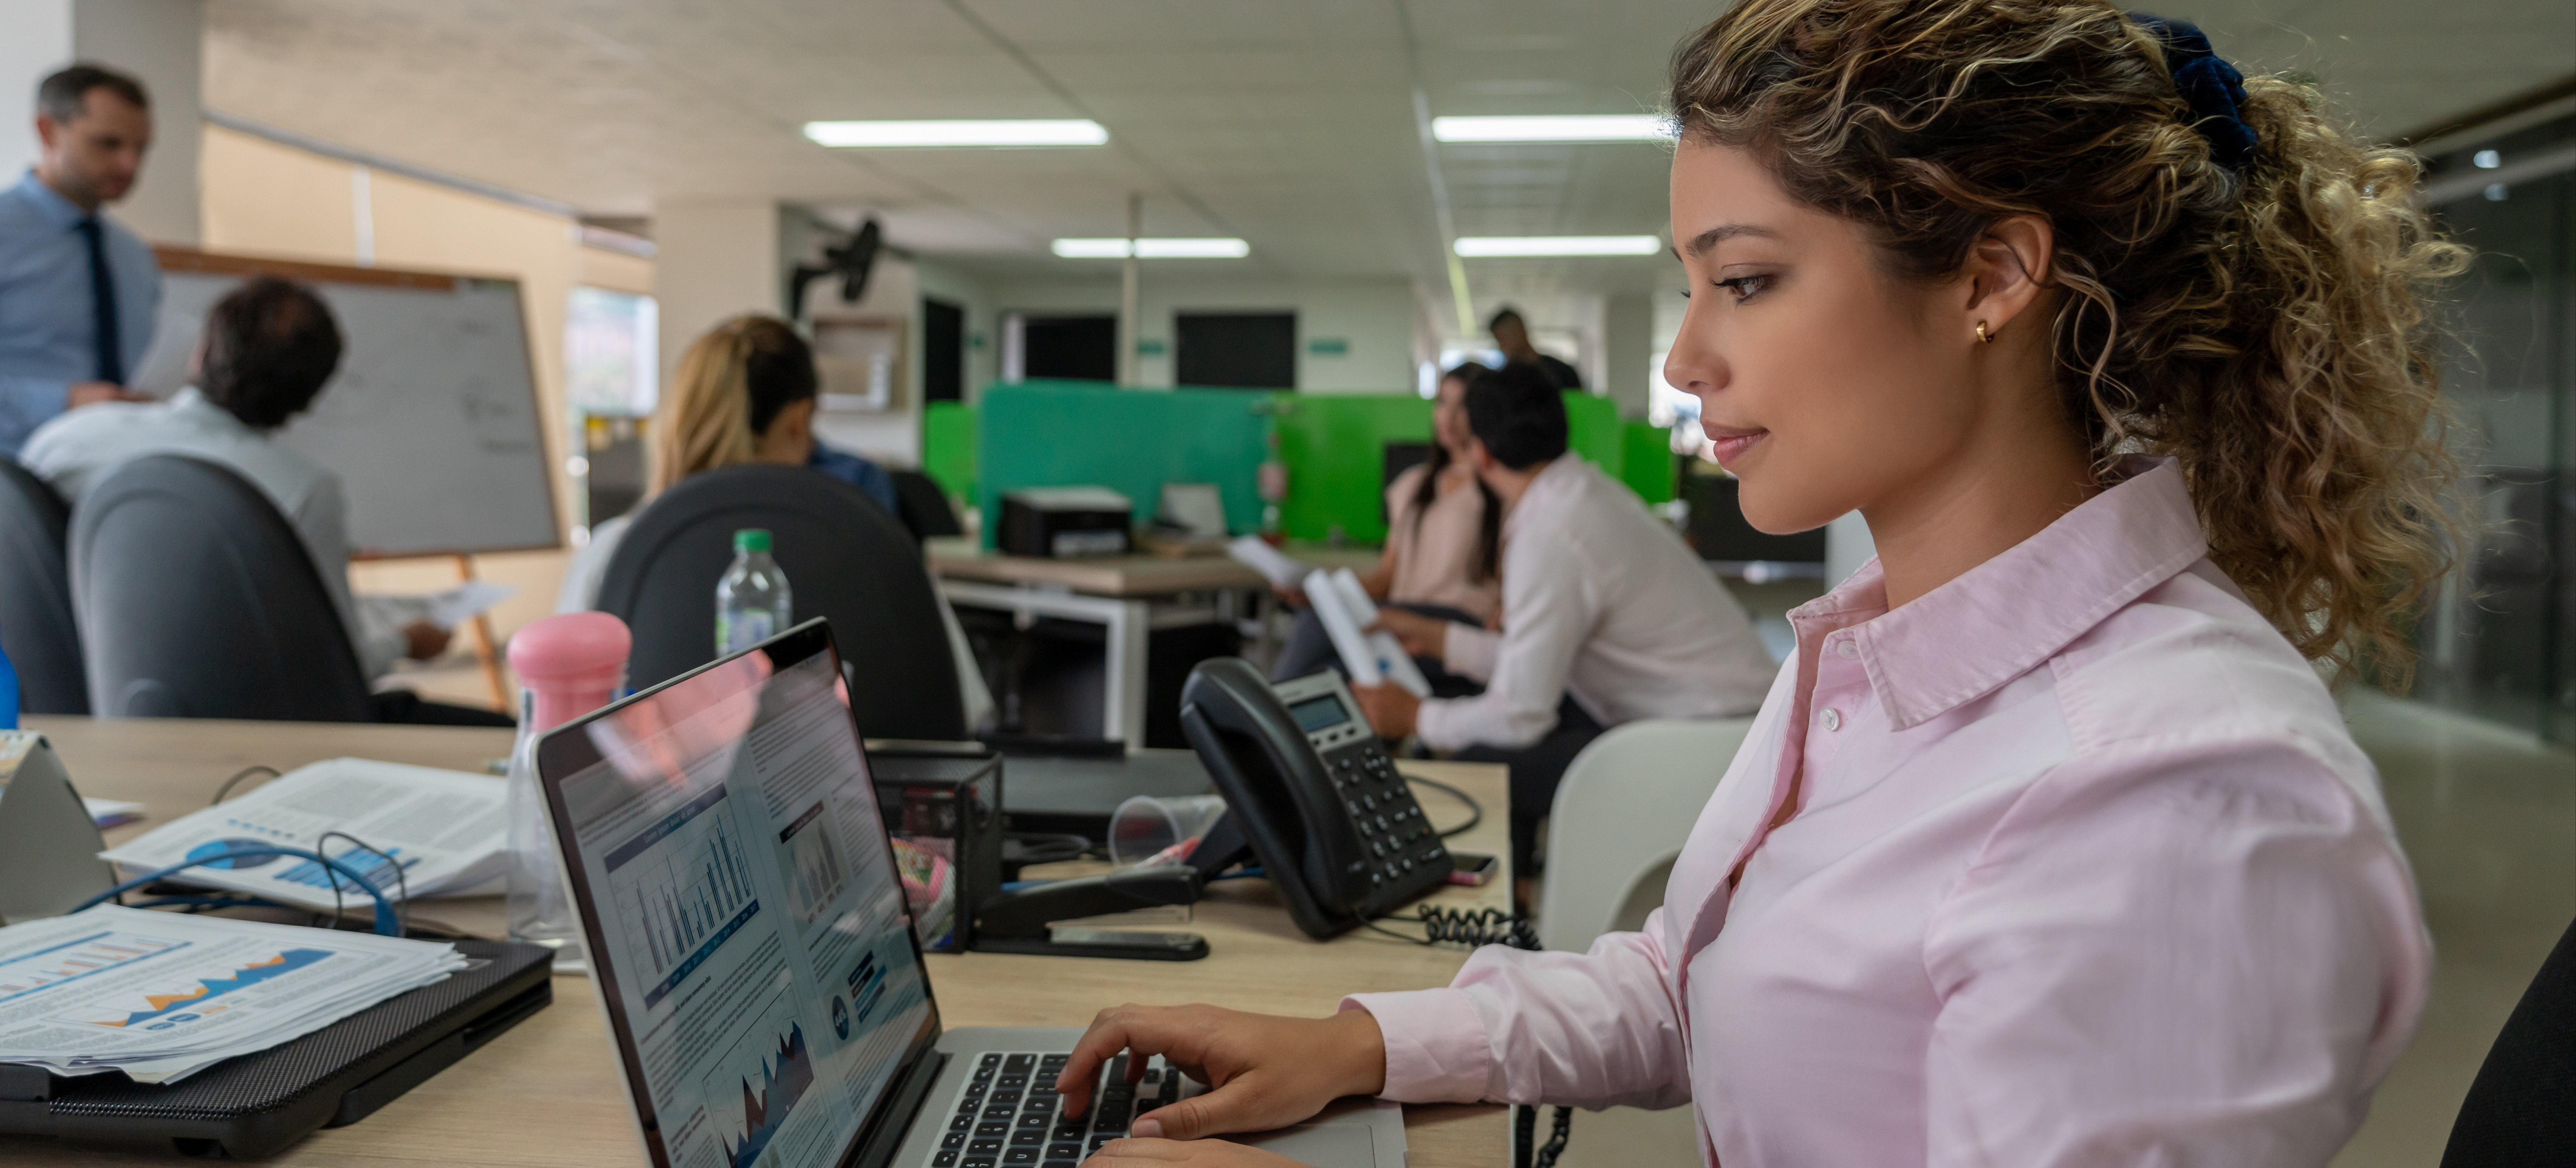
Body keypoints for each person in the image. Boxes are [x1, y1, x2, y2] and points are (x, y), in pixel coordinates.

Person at [1048, 3, 2457, 1165]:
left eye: (1747, 281)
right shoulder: (1871, 653)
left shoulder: (2171, 796)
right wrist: (1360, 1042)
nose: (1681, 361)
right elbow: (1696, 977)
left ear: (1991, 274)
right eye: (1690, 285)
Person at [1355, 362, 1775, 886]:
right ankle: (1518, 893)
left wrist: (1415, 717)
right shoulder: (1578, 494)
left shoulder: (1549, 531)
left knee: (1482, 766)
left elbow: (1520, 714)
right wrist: (1444, 640)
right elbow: (1543, 661)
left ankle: (1505, 914)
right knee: (1498, 749)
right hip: (1729, 719)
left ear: (1480, 453)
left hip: (1702, 739)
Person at [21, 277, 489, 721]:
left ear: (200, 355)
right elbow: (333, 668)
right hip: (239, 734)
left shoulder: (66, 436)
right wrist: (405, 643)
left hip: (60, 715)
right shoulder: (303, 489)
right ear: (310, 396)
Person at [558, 314, 991, 727]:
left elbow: (560, 724)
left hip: (660, 802)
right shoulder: (872, 547)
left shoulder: (616, 550)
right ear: (799, 420)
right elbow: (964, 709)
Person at [1268, 362, 1502, 688]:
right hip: (1403, 614)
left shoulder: (1498, 486)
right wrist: (1322, 595)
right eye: (1441, 402)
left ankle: (1263, 728)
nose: (1448, 417)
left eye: (1462, 406)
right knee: (1324, 649)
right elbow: (1386, 578)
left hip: (1456, 621)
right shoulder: (1411, 485)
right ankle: (1272, 726)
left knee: (1327, 650)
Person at [0, 64, 161, 456]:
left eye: (140, 149)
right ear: (48, 131)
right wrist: (65, 402)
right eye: (108, 144)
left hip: (112, 476)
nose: (130, 166)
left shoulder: (135, 258)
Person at [1485, 307, 1580, 391]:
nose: (1502, 347)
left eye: (1504, 338)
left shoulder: (1562, 372)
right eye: (1499, 340)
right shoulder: (1504, 381)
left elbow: (1578, 406)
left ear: (1521, 330)